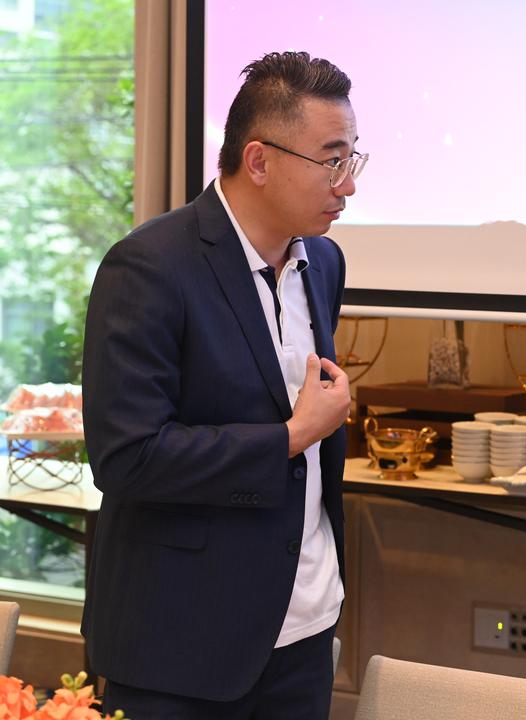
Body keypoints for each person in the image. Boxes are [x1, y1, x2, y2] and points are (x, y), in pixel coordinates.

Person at [82, 51, 364, 718]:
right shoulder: (149, 267)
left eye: (353, 159)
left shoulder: (323, 261)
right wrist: (290, 436)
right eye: (331, 161)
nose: (347, 185)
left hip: (304, 627)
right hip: (181, 644)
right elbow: (127, 457)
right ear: (258, 160)